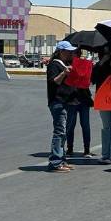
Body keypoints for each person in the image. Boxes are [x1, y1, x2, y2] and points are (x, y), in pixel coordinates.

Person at [46, 40, 78, 173]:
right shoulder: (54, 65)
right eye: (69, 51)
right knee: (59, 132)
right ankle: (55, 162)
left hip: (66, 101)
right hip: (58, 102)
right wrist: (64, 73)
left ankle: (61, 159)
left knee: (63, 132)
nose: (71, 53)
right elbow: (54, 82)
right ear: (61, 52)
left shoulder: (66, 64)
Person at [65, 49, 94, 159]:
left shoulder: (85, 65)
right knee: (70, 126)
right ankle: (70, 148)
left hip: (83, 100)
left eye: (73, 53)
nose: (71, 55)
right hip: (72, 99)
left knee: (85, 125)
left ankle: (87, 150)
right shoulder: (67, 65)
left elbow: (89, 79)